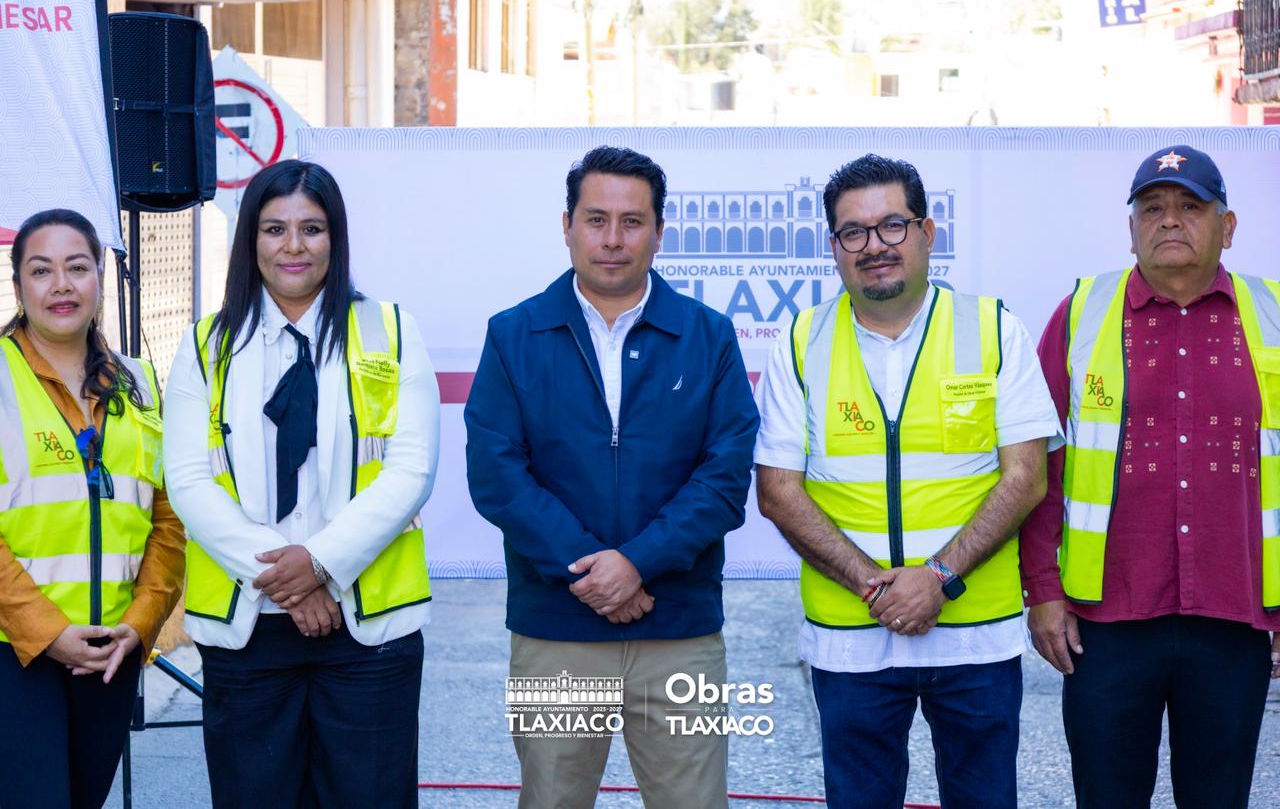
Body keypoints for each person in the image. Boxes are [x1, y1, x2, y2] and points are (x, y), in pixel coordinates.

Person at [754, 154, 1062, 809]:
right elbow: (778, 489)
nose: (875, 246)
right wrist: (878, 588)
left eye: (892, 225)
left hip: (976, 637)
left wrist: (937, 579)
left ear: (927, 232)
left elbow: (1027, 477)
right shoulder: (801, 341)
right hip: (850, 641)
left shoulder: (995, 329)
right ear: (833, 246)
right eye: (854, 232)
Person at [464, 145, 758, 808]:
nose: (613, 240)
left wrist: (639, 564)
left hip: (678, 633)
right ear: (566, 224)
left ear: (659, 229)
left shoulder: (708, 336)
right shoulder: (514, 334)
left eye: (632, 222)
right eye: (596, 219)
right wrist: (595, 573)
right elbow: (498, 475)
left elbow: (724, 475)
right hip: (557, 632)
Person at [163, 160, 440, 808]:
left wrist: (320, 563)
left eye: (312, 229)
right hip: (250, 629)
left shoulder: (391, 332)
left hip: (369, 634)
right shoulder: (206, 346)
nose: (293, 246)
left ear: (336, 239)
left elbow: (412, 468)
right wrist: (290, 584)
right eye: (274, 228)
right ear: (250, 241)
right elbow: (188, 479)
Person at [1022, 145, 1279, 809]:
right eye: (1153, 208)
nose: (1171, 221)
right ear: (1130, 226)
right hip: (1106, 621)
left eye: (1191, 207)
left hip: (1237, 615)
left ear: (1228, 227)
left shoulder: (1273, 317)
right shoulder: (1081, 314)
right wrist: (1044, 593)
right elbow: (1040, 465)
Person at [0, 209, 184, 808]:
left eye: (77, 267)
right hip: (15, 653)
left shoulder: (139, 382)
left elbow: (168, 519)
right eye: (41, 270)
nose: (61, 285)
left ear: (101, 277)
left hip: (110, 652)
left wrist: (140, 624)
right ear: (18, 285)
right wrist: (48, 633)